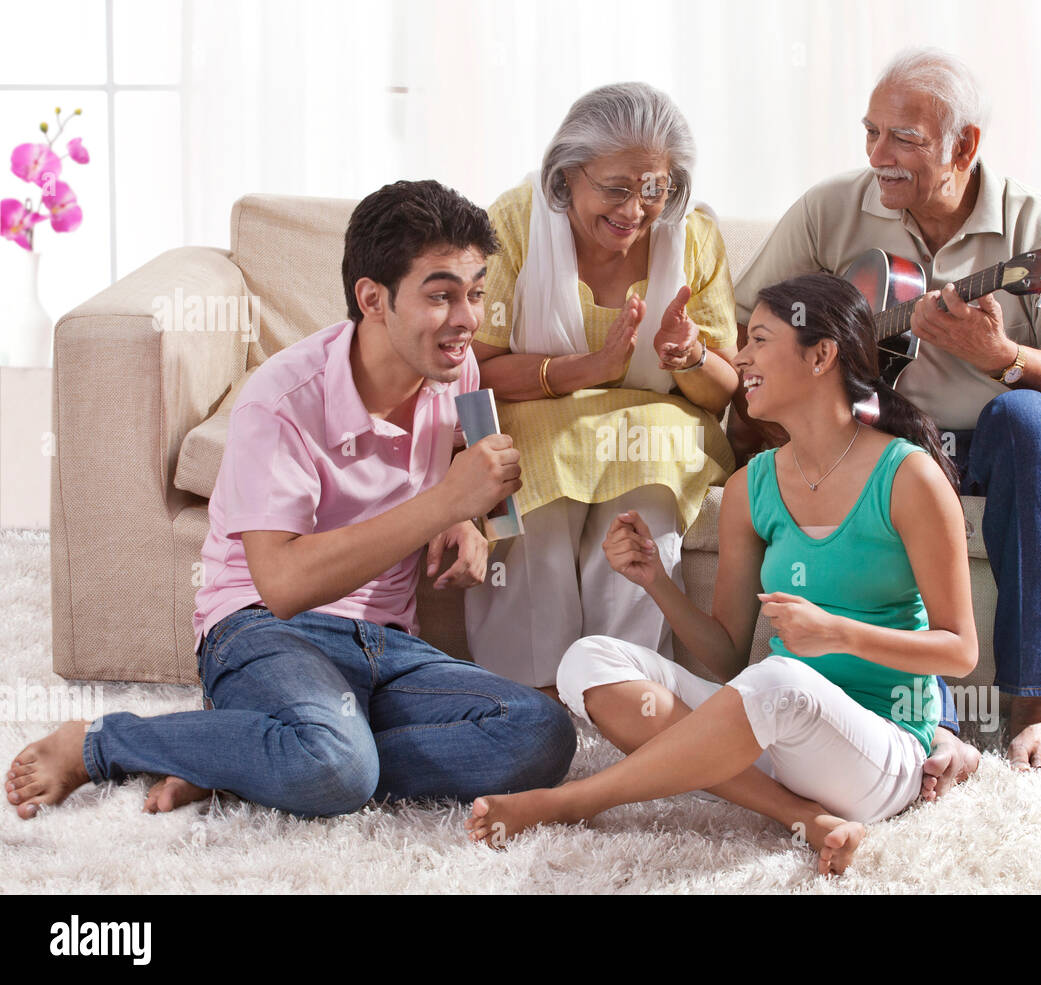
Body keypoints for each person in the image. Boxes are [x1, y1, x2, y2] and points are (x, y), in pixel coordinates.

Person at [6, 179, 576, 820]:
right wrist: (447, 503)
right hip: (264, 630)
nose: (468, 319)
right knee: (338, 764)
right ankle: (101, 743)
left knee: (542, 733)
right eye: (441, 295)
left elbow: (490, 494)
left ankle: (248, 755)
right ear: (373, 299)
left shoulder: (457, 370)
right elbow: (280, 584)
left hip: (386, 643)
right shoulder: (281, 401)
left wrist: (474, 521)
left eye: (474, 293)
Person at [465, 273, 979, 876]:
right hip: (769, 735)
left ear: (821, 355)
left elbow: (960, 652)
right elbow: (730, 657)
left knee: (780, 679)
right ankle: (799, 815)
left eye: (759, 340)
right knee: (588, 661)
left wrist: (838, 634)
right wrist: (654, 580)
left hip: (880, 754)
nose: (739, 358)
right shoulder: (751, 485)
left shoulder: (907, 476)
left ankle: (567, 802)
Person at [729, 47, 1041, 774]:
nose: (879, 156)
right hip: (887, 437)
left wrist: (1004, 356)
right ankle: (928, 723)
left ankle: (1036, 708)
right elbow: (749, 317)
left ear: (963, 145)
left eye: (903, 139)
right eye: (870, 132)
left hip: (1002, 448)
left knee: (1027, 418)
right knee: (879, 439)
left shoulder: (1039, 229)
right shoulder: (832, 210)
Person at [465, 82, 739, 693]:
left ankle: (626, 694)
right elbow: (474, 366)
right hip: (537, 412)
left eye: (653, 190)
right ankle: (527, 698)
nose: (635, 211)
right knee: (534, 495)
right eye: (615, 188)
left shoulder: (691, 234)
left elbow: (725, 390)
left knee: (641, 501)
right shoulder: (514, 222)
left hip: (653, 426)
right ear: (567, 175)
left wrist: (688, 354)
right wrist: (587, 368)